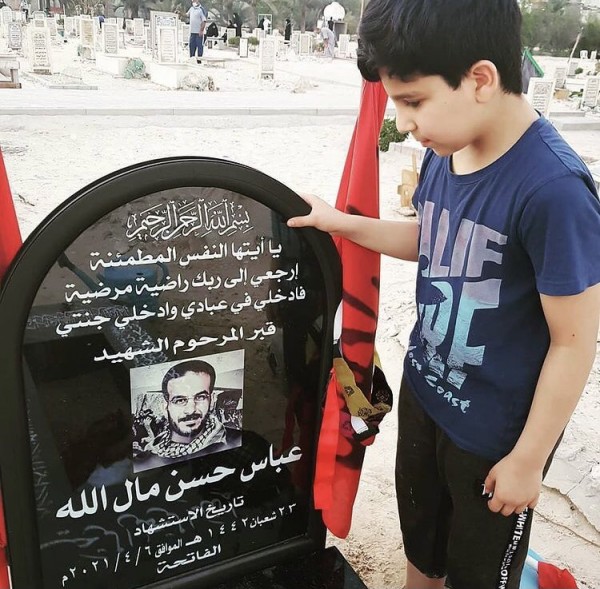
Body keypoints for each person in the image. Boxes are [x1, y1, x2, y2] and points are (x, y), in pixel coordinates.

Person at [287, 1, 600, 588]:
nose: (402, 122)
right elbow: (433, 239)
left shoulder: (555, 192)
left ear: (480, 79)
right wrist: (346, 225)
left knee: (477, 572)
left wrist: (529, 461)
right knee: (423, 546)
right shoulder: (446, 151)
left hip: (496, 439)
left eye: (413, 102)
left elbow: (574, 343)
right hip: (426, 397)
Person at [134, 360, 242, 471]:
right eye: (180, 400)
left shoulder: (237, 440)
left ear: (212, 400)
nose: (191, 410)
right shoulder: (147, 457)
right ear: (165, 407)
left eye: (200, 397)